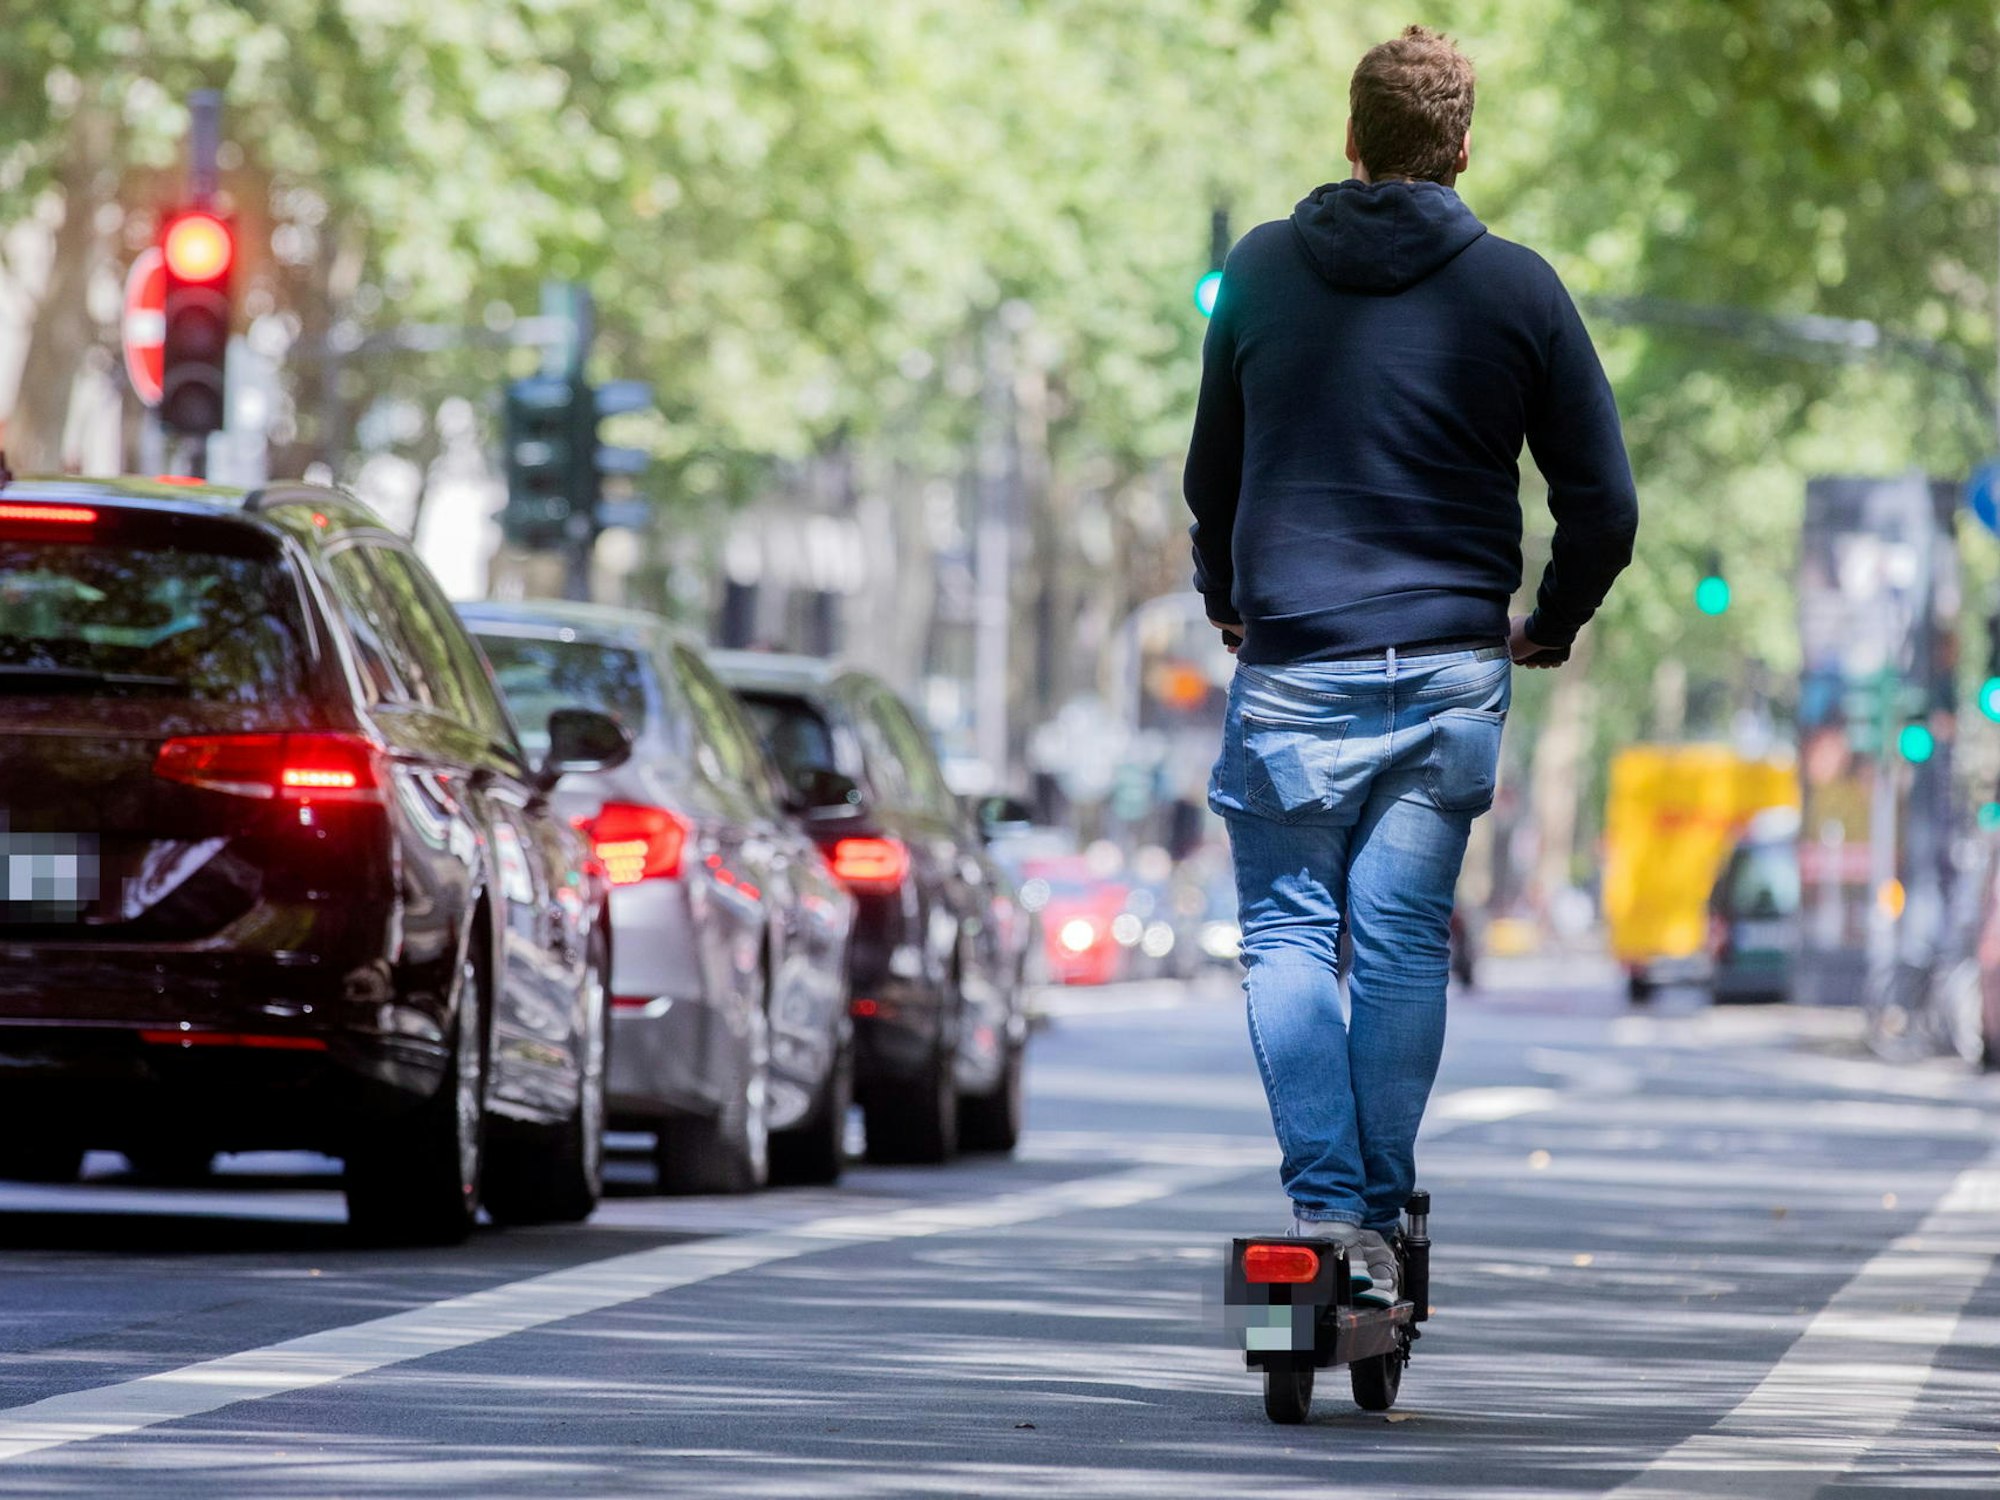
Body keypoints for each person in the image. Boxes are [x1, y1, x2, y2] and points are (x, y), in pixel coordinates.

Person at [1185, 24, 1637, 1306]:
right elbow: (1600, 504)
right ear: (1459, 148)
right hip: (1446, 671)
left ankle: (1323, 1211)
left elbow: (1206, 475)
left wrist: (1227, 597)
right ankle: (1376, 1225)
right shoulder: (1518, 290)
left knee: (1283, 933)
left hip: (1292, 667)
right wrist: (1549, 620)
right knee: (1393, 948)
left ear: (1350, 138)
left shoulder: (1261, 273)